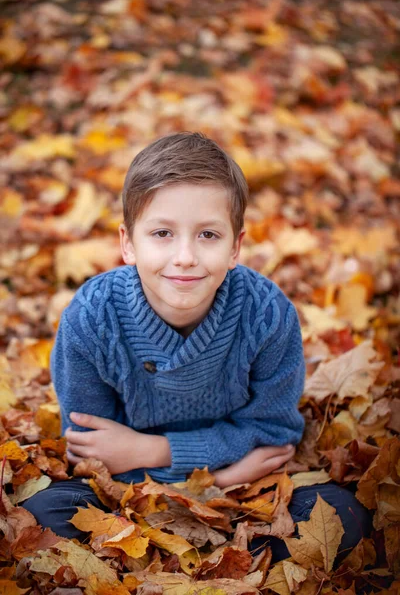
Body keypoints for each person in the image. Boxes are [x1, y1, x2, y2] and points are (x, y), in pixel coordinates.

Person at [22, 132, 371, 561]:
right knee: (41, 516)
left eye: (207, 235)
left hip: (239, 495)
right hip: (126, 507)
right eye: (163, 233)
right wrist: (219, 473)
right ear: (128, 243)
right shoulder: (92, 318)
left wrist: (158, 452)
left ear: (235, 247)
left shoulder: (266, 314)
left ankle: (226, 567)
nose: (185, 256)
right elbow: (90, 452)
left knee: (345, 514)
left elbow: (275, 435)